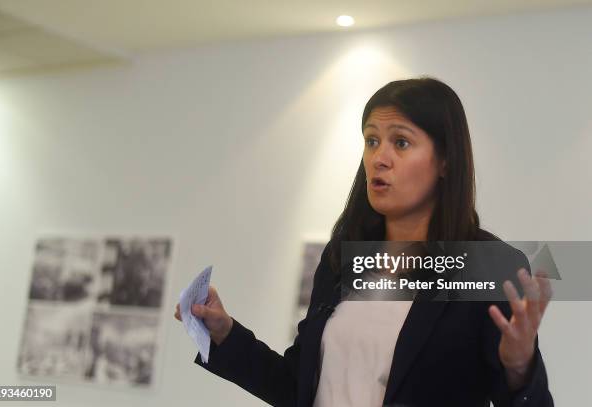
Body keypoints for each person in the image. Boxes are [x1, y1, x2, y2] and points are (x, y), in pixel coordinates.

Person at [174, 77, 553, 406]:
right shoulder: (344, 258)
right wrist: (224, 334)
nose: (379, 158)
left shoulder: (486, 265)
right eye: (372, 140)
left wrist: (519, 367)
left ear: (445, 161)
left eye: (401, 143)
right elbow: (298, 388)